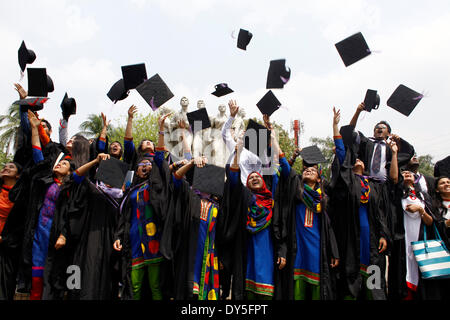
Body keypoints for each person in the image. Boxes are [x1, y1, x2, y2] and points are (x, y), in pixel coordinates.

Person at [217, 114, 288, 300]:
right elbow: (234, 177)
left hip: (267, 247)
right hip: (241, 205)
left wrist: (270, 135)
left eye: (258, 176)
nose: (255, 176)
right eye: (238, 135)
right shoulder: (235, 153)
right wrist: (232, 117)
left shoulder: (271, 199)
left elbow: (269, 166)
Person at [328, 107, 389, 300]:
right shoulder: (347, 182)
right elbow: (340, 152)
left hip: (370, 238)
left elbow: (380, 213)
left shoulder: (373, 186)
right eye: (356, 159)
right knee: (351, 278)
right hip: (351, 235)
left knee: (374, 279)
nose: (360, 161)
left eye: (362, 160)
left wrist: (383, 235)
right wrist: (335, 125)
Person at [114, 112, 172, 300]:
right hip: (134, 239)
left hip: (153, 238)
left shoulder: (156, 182)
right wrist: (118, 236)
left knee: (156, 286)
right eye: (142, 164)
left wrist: (161, 129)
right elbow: (124, 216)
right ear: (136, 168)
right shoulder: (132, 189)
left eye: (149, 163)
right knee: (135, 285)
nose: (145, 166)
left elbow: (160, 157)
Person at [21, 110, 77, 300]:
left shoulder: (72, 189)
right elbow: (37, 151)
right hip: (40, 231)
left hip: (59, 233)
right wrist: (35, 129)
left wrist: (63, 234)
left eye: (64, 163)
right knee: (37, 273)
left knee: (59, 276)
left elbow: (72, 214)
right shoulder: (46, 180)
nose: (58, 164)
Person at [386, 139, 439, 300]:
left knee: (421, 277)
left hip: (421, 242)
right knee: (401, 275)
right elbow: (394, 178)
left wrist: (421, 210)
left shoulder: (423, 197)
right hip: (402, 242)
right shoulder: (397, 194)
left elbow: (431, 222)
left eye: (410, 172)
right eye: (404, 173)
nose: (407, 173)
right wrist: (394, 152)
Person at [349, 102, 415, 182]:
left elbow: (409, 151)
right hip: (366, 183)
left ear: (388, 133)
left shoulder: (392, 148)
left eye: (383, 127)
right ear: (374, 132)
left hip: (385, 187)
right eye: (377, 127)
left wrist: (400, 141)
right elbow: (350, 131)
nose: (379, 128)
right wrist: (358, 112)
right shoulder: (366, 143)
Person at [0, 162, 23, 299]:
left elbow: (21, 224)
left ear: (18, 175)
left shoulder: (21, 197)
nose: (6, 168)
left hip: (8, 245)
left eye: (11, 167)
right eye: (5, 166)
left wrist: (5, 239)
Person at [123, 105, 156, 170]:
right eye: (145, 142)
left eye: (150, 142)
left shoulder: (159, 159)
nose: (148, 142)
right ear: (141, 147)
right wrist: (130, 118)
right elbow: (128, 141)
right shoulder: (135, 157)